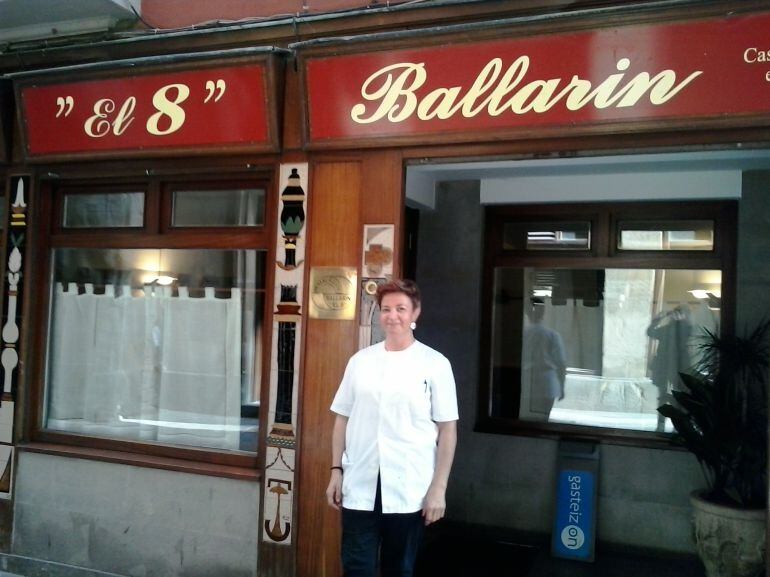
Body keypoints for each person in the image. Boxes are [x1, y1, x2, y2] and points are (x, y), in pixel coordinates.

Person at [325, 279, 459, 577]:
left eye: (401, 308)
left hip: (409, 485)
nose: (392, 315)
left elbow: (448, 430)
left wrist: (439, 488)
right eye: (386, 309)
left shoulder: (435, 364)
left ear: (415, 313)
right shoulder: (361, 361)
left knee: (398, 568)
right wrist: (336, 470)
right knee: (356, 566)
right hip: (360, 482)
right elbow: (342, 418)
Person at [647, 304, 692, 431]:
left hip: (675, 367)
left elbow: (650, 331)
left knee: (675, 395)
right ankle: (664, 423)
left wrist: (661, 319)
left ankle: (672, 424)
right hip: (665, 367)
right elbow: (650, 332)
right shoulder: (668, 329)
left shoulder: (683, 329)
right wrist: (660, 318)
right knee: (665, 395)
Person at [520, 299, 567, 421]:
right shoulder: (552, 335)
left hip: (527, 383)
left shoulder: (522, 334)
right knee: (543, 421)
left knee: (525, 422)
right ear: (543, 313)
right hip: (547, 384)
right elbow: (561, 363)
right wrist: (562, 387)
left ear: (527, 313)